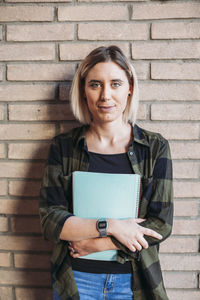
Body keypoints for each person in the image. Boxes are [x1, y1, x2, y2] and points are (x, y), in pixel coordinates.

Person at [39, 45, 173, 300]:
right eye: (95, 84)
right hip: (76, 280)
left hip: (134, 279)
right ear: (83, 90)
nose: (106, 96)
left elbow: (161, 224)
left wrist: (97, 243)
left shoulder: (155, 148)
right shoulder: (63, 147)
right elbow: (50, 220)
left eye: (115, 83)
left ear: (130, 87)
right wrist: (111, 226)